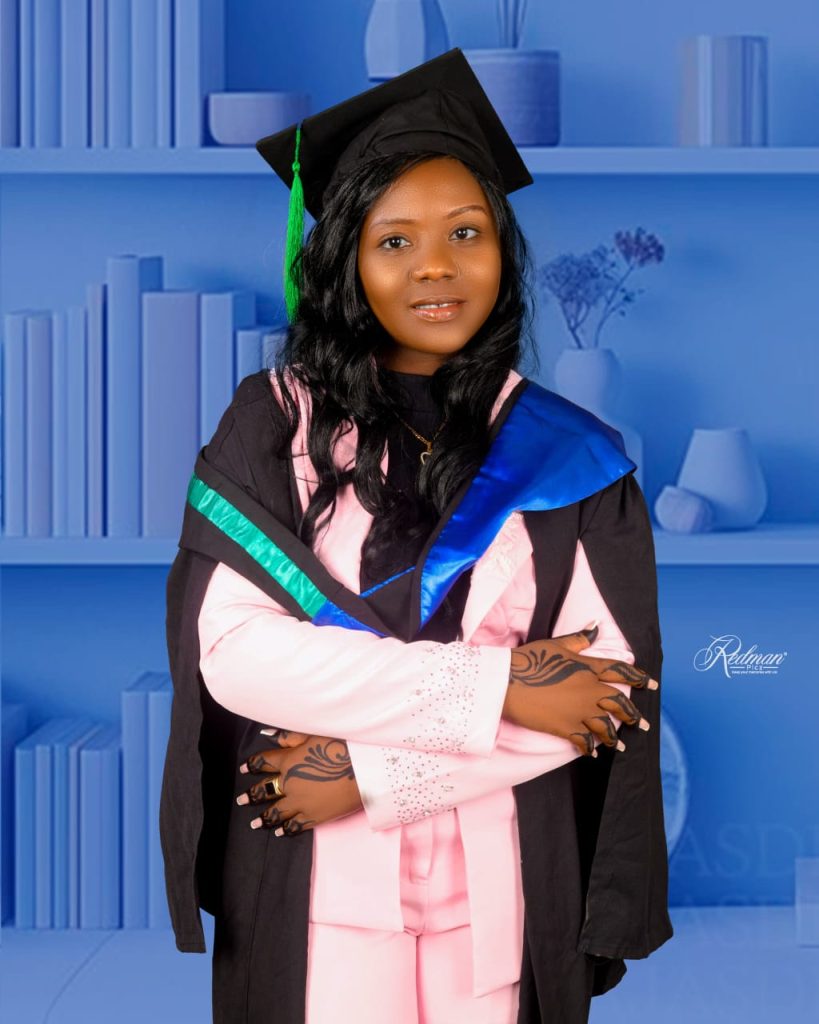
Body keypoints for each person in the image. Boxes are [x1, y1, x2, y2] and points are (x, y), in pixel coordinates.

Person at [159, 47, 672, 1024]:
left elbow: (598, 697)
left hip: (501, 890)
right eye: (394, 240)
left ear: (501, 251)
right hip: (317, 891)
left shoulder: (569, 454)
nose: (436, 266)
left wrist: (369, 775)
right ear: (345, 261)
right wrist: (500, 684)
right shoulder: (275, 425)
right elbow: (238, 655)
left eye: (465, 232)